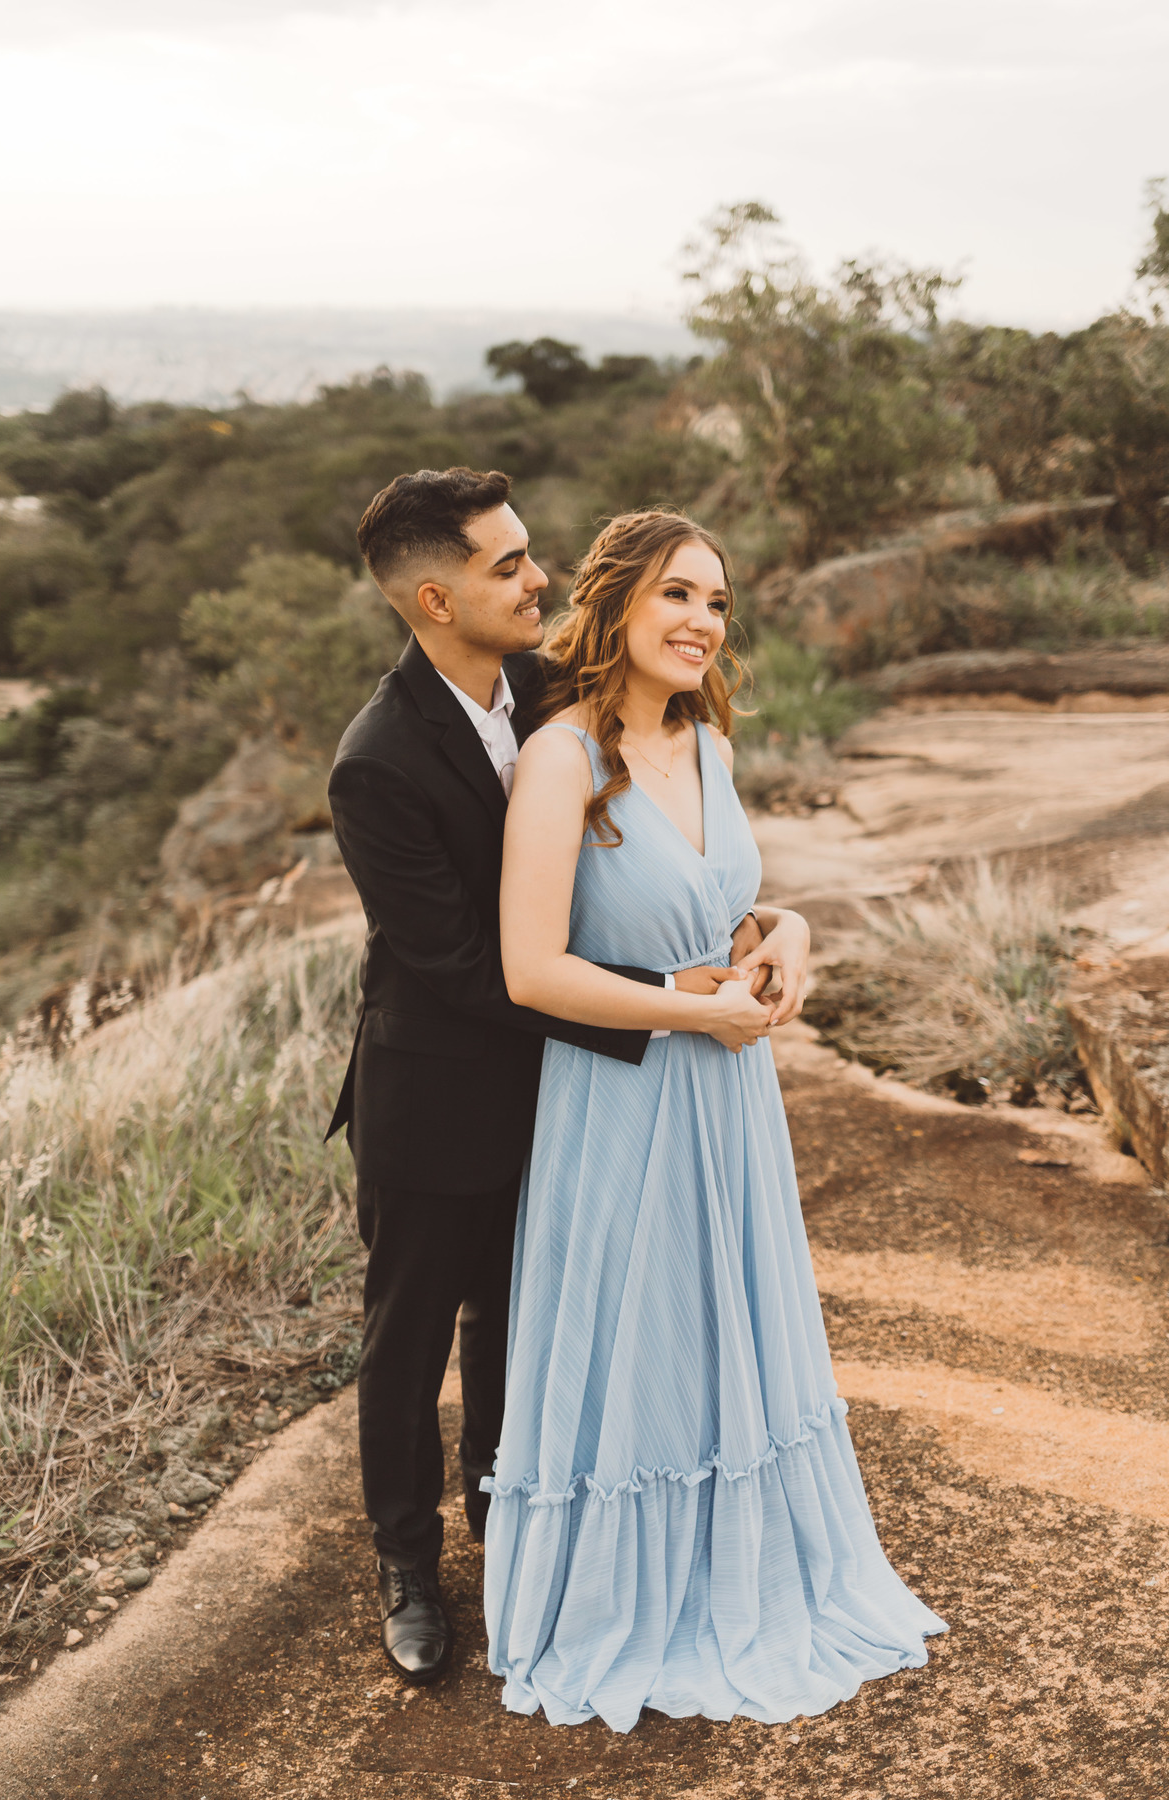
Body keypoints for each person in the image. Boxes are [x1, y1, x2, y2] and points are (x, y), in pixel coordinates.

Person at [486, 508, 947, 1730]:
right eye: (679, 596)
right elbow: (530, 970)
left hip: (730, 1096)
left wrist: (785, 935)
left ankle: (744, 1573)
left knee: (721, 1327)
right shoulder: (561, 759)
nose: (702, 623)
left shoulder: (709, 744)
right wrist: (694, 1018)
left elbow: (725, 914)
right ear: (619, 604)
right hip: (627, 1098)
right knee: (642, 1338)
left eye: (719, 603)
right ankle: (626, 1600)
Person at [325, 469, 775, 1686]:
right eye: (507, 564)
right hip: (439, 1086)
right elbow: (473, 969)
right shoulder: (375, 763)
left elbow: (634, 843)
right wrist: (665, 1008)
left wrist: (744, 927)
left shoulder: (544, 692)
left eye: (531, 556)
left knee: (521, 1315)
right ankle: (408, 1567)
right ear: (434, 596)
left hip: (562, 1083)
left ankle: (505, 1507)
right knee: (409, 1336)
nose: (538, 579)